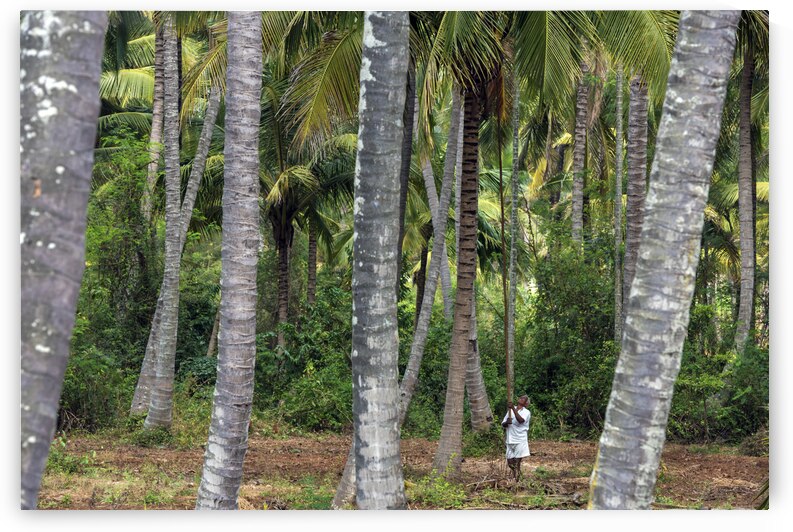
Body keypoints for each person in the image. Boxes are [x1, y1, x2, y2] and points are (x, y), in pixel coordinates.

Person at [501, 395, 531, 481]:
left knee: (517, 461)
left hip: (520, 439)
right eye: (520, 398)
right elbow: (503, 424)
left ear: (526, 403)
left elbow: (521, 420)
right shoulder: (510, 410)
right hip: (510, 439)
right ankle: (516, 475)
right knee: (510, 462)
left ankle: (516, 479)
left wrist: (513, 409)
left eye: (523, 399)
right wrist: (507, 422)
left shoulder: (526, 412)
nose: (521, 399)